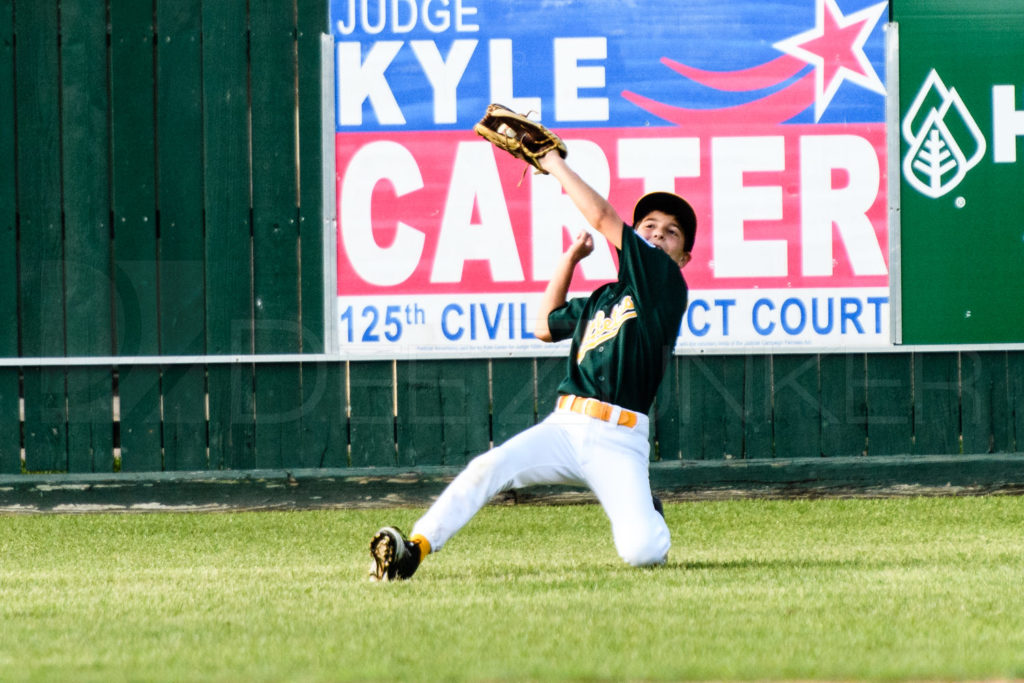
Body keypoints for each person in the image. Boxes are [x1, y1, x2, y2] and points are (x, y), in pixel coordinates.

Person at [369, 148, 696, 581]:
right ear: (635, 234)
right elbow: (543, 324)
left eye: (671, 233)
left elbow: (600, 216)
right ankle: (415, 548)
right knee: (489, 466)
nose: (657, 234)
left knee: (641, 551)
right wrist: (568, 261)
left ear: (683, 257)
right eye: (649, 226)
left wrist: (551, 162)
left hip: (619, 440)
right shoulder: (604, 298)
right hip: (566, 426)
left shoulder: (667, 286)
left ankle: (650, 515)